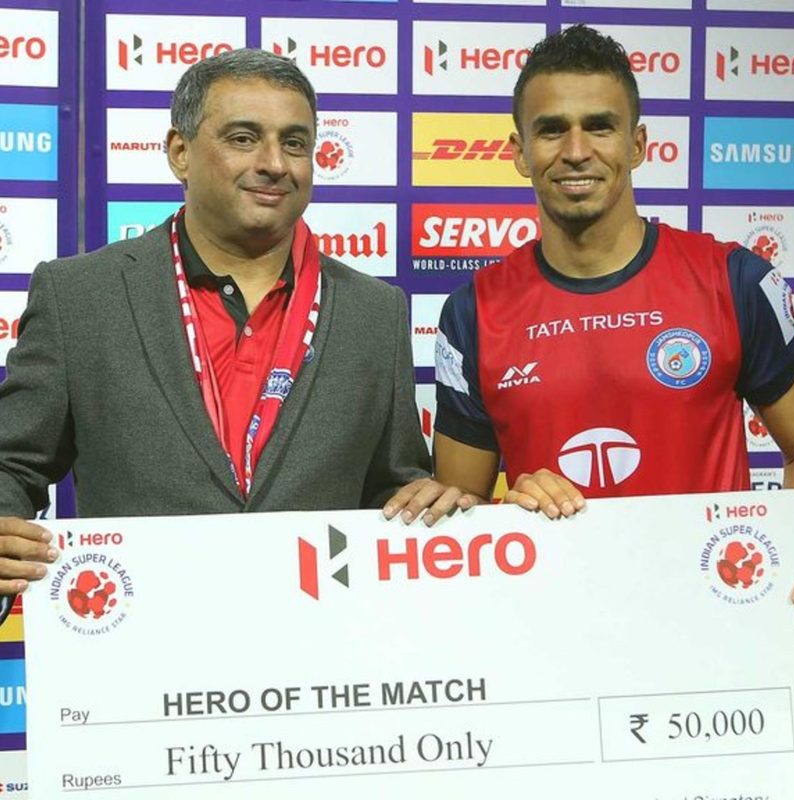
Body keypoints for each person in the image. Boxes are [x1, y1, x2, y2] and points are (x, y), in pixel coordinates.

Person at [0, 49, 464, 604]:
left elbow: (393, 488)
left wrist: (426, 509)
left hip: (319, 643)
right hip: (138, 639)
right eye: (243, 138)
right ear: (180, 153)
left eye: (295, 143)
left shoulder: (375, 311)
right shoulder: (80, 296)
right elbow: (12, 463)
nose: (274, 163)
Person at [430, 25, 794, 605]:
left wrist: (791, 553)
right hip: (553, 618)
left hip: (718, 616)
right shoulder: (473, 311)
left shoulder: (734, 280)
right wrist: (510, 508)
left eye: (600, 126)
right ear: (520, 152)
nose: (576, 151)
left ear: (637, 144)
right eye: (552, 129)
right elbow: (459, 512)